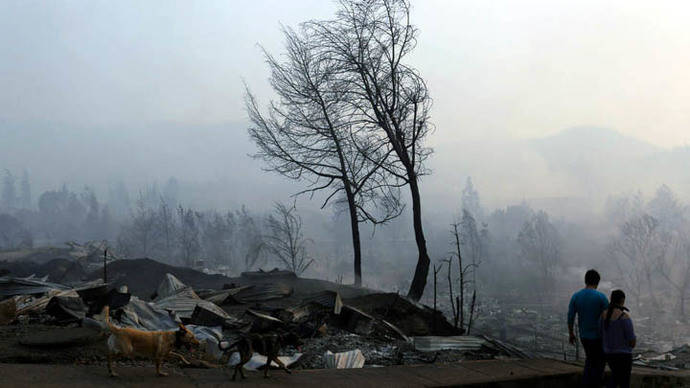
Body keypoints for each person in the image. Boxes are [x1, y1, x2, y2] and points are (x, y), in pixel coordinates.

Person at [568, 269, 609, 387]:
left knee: (590, 360)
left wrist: (571, 333)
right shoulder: (601, 297)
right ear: (597, 282)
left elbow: (570, 316)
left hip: (584, 336)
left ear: (585, 281)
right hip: (599, 337)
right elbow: (608, 318)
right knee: (599, 363)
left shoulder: (576, 296)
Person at [601, 290, 635, 388]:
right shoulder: (624, 317)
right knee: (624, 383)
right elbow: (632, 342)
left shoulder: (603, 315)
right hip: (624, 356)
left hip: (609, 355)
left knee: (615, 379)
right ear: (622, 300)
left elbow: (601, 333)